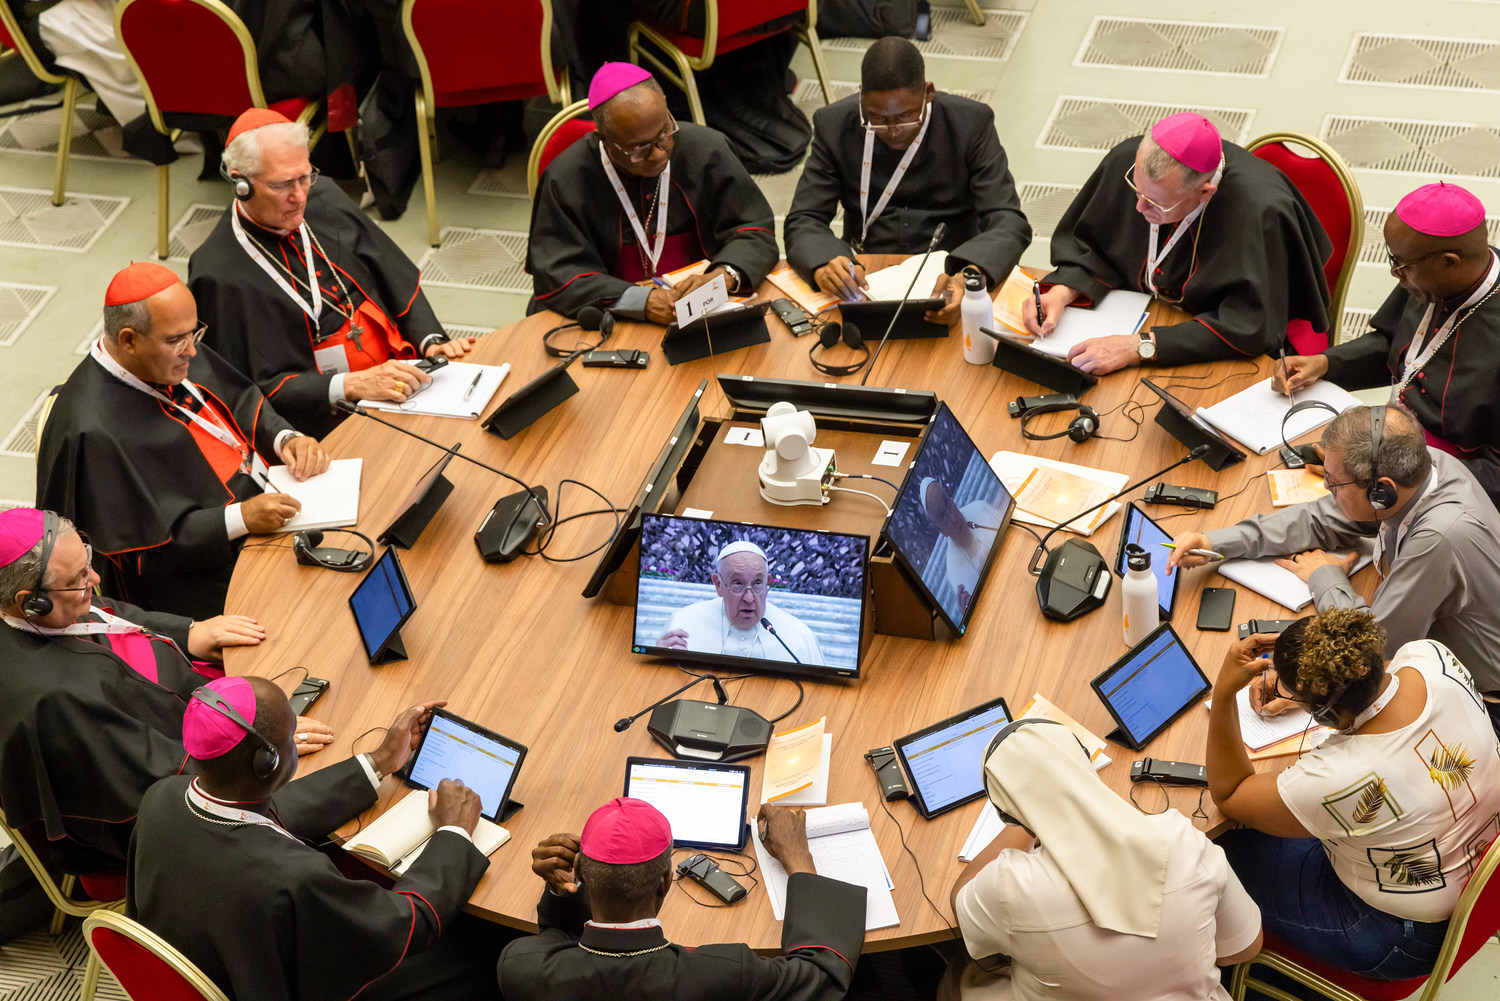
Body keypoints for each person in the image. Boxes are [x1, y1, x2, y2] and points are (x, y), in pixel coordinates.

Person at [0, 508, 331, 882]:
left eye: (87, 561)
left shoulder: (41, 611)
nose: (95, 578)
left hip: (175, 703)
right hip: (176, 800)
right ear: (30, 602)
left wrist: (190, 632)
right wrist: (253, 748)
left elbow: (105, 613)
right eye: (78, 579)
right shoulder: (58, 701)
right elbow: (159, 785)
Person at [129, 678, 501, 1001]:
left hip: (218, 969)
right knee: (486, 948)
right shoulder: (292, 875)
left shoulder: (162, 797)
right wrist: (454, 832)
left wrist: (380, 761)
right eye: (290, 734)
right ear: (267, 762)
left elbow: (270, 812)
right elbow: (404, 924)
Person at [1208, 610, 1500, 979]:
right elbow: (1377, 680)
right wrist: (1314, 691)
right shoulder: (1431, 656)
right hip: (1476, 887)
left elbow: (1230, 792)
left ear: (1325, 713)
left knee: (1216, 855)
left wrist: (1224, 691)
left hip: (1396, 937)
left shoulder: (1336, 777)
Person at [1168, 403, 1500, 725]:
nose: (1326, 487)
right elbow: (1319, 518)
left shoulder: (1440, 537)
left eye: (1334, 482)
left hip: (1481, 700)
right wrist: (1214, 542)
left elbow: (1371, 648)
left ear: (1381, 492)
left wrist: (1324, 577)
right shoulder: (1423, 468)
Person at [36, 262, 331, 620]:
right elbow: (148, 551)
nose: (191, 351)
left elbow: (240, 399)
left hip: (273, 503)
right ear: (129, 340)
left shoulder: (172, 350)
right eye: (177, 340)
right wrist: (242, 517)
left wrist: (286, 438)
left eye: (194, 334)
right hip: (198, 578)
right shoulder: (91, 429)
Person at [190, 108, 470, 438]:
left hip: (402, 366)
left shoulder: (324, 195)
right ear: (241, 184)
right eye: (283, 184)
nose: (300, 197)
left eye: (305, 176)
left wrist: (432, 343)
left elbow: (395, 276)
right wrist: (349, 385)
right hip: (327, 411)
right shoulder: (216, 272)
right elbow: (250, 388)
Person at [946, 718, 1262, 1000]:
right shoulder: (1181, 838)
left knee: (956, 976)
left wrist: (1029, 810)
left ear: (1006, 813)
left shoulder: (1009, 885)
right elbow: (1244, 948)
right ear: (1085, 764)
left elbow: (962, 903)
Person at [1025, 113, 1332, 375]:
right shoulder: (1127, 159)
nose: (1139, 208)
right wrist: (1063, 291)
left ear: (1205, 192)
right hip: (1131, 317)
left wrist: (1139, 347)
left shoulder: (1259, 211)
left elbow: (1248, 325)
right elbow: (1096, 247)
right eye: (1137, 190)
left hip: (1210, 357)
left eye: (1158, 204)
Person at [497, 796, 865, 1000]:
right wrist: (799, 860)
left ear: (579, 871)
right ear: (665, 882)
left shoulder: (522, 967)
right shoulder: (721, 974)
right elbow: (822, 976)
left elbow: (559, 944)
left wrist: (559, 891)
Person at [1275, 182, 1500, 505]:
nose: (1395, 272)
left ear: (1450, 262)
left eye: (1402, 264)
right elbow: (1398, 347)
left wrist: (1394, 473)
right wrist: (1326, 363)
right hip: (1387, 439)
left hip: (1448, 488)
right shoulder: (1434, 280)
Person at [784, 36, 1030, 325]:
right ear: (861, 96)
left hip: (953, 269)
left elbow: (1008, 221)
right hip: (867, 272)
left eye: (906, 116)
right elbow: (804, 218)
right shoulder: (834, 124)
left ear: (928, 92)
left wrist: (970, 278)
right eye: (877, 118)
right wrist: (825, 262)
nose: (893, 130)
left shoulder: (970, 123)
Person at [526, 63, 778, 322]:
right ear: (604, 139)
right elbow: (558, 274)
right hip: (611, 316)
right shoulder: (565, 178)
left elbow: (755, 230)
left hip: (699, 313)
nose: (658, 154)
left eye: (664, 134)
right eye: (639, 148)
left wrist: (723, 276)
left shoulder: (708, 150)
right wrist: (640, 301)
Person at [656, 540, 824, 663]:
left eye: (757, 584)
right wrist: (658, 662)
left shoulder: (798, 636)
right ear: (718, 585)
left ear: (768, 583)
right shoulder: (684, 623)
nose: (749, 598)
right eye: (737, 584)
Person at [920, 478, 1003, 614]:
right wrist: (970, 613)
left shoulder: (980, 508)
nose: (953, 518)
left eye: (947, 503)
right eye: (943, 516)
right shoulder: (955, 575)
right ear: (940, 529)